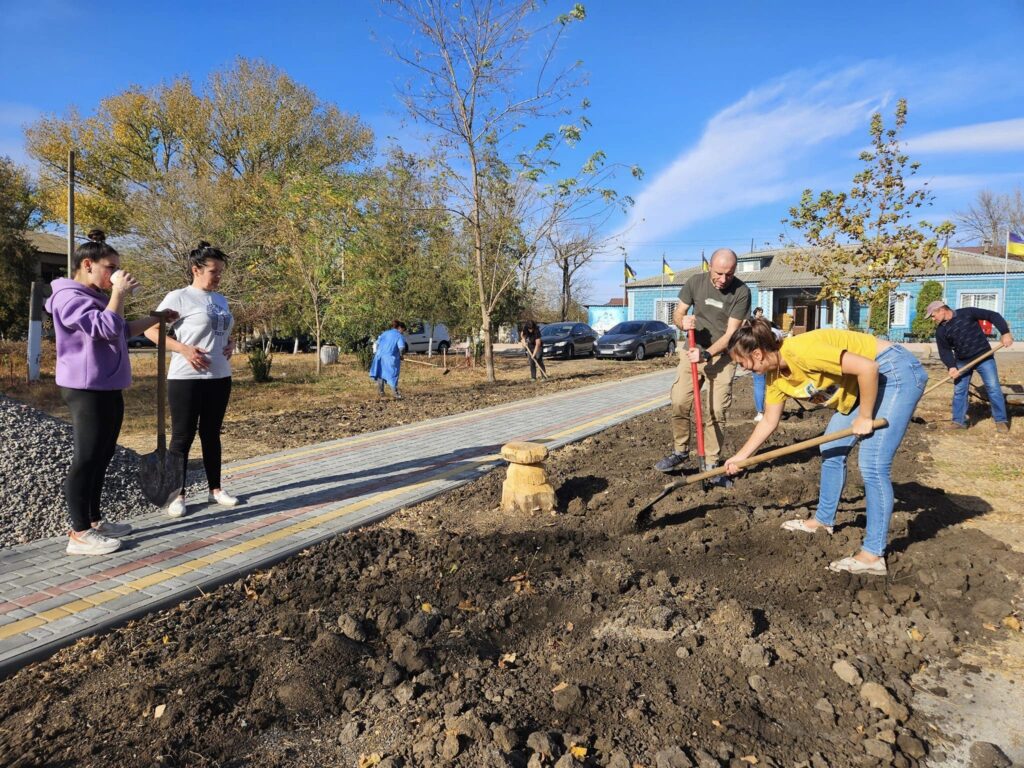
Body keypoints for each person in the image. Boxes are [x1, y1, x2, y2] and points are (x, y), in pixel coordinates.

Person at [723, 318, 927, 576]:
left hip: (893, 370)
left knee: (873, 465)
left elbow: (868, 367)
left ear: (757, 353)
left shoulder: (801, 351)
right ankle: (823, 520)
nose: (743, 368)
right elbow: (769, 422)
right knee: (831, 449)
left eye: (742, 363)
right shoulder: (775, 377)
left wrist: (865, 416)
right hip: (858, 387)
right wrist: (740, 458)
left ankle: (872, 555)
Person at [45, 230, 176, 555]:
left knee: (103, 456)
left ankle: (94, 521)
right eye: (111, 267)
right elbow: (104, 328)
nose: (116, 274)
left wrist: (154, 319)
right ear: (87, 264)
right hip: (85, 388)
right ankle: (78, 534)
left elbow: (118, 328)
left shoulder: (97, 296)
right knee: (87, 458)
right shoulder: (68, 297)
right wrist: (118, 293)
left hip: (107, 386)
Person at [145, 242, 237, 518]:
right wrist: (183, 349)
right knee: (182, 436)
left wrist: (230, 342)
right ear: (196, 270)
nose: (218, 276)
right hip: (186, 378)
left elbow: (221, 330)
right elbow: (151, 331)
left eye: (221, 271)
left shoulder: (220, 300)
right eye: (214, 271)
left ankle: (216, 489)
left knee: (211, 433)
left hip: (219, 375)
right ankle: (177, 494)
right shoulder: (179, 297)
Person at [656, 248, 751, 473]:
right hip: (691, 353)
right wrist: (682, 322)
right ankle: (680, 451)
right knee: (679, 401)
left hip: (723, 358)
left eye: (729, 274)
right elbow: (678, 313)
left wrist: (707, 354)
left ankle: (711, 463)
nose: (723, 279)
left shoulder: (741, 292)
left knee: (716, 410)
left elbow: (731, 335)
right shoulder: (695, 282)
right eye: (719, 273)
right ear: (710, 267)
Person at [926, 301, 1013, 431]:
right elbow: (945, 351)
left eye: (933, 316)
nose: (933, 319)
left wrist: (1005, 333)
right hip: (962, 362)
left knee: (993, 388)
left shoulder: (967, 313)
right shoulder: (941, 331)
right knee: (960, 391)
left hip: (984, 357)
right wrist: (951, 366)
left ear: (941, 310)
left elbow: (993, 315)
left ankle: (1001, 420)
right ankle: (958, 422)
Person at [370, 320, 408, 399]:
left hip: (379, 356)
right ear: (400, 328)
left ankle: (381, 392)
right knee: (393, 374)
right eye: (403, 330)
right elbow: (401, 348)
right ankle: (395, 394)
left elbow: (376, 343)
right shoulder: (399, 336)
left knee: (380, 373)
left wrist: (376, 353)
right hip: (390, 358)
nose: (403, 332)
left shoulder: (385, 333)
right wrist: (401, 355)